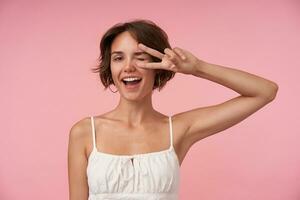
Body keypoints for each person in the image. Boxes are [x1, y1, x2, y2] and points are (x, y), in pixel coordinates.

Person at [67, 19, 278, 200]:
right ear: (110, 68)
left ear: (158, 65)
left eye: (140, 57)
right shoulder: (85, 132)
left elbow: (265, 91)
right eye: (118, 58)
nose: (128, 67)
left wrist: (197, 68)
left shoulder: (177, 130)